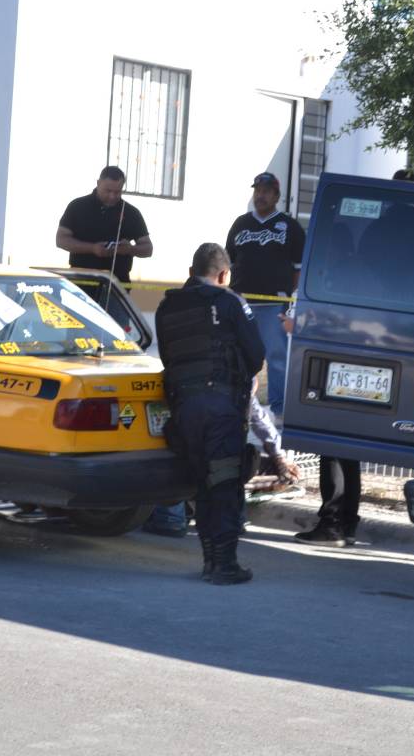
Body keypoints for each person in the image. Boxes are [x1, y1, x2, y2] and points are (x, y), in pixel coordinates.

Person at [295, 167, 414, 547]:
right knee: (346, 437)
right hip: (398, 338)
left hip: (354, 332)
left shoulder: (381, 229)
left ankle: (335, 522)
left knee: (335, 434)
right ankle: (343, 522)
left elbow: (360, 272)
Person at [154, 243, 265, 584]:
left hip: (185, 410)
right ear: (223, 275)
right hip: (221, 410)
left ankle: (209, 561)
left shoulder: (166, 307)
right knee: (225, 483)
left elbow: (169, 358)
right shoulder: (231, 302)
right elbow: (256, 355)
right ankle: (224, 564)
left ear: (191, 273)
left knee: (202, 483)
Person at [141, 390, 299, 537]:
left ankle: (171, 519)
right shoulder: (240, 378)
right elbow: (260, 421)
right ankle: (234, 520)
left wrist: (279, 458)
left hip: (197, 440)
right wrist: (279, 456)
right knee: (229, 462)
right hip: (225, 448)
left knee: (176, 454)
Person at [225, 172, 305, 419]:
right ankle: (236, 407)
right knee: (238, 355)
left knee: (276, 358)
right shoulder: (241, 223)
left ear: (277, 196)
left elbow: (298, 269)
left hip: (273, 304)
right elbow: (228, 261)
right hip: (242, 302)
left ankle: (279, 410)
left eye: (267, 191)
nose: (261, 195)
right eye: (258, 190)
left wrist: (287, 297)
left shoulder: (290, 226)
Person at [56, 166, 153, 284]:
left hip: (117, 284)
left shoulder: (131, 212)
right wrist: (92, 249)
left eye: (117, 192)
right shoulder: (77, 206)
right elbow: (61, 240)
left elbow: (148, 249)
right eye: (108, 191)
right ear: (98, 183)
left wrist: (130, 249)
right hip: (80, 283)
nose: (112, 196)